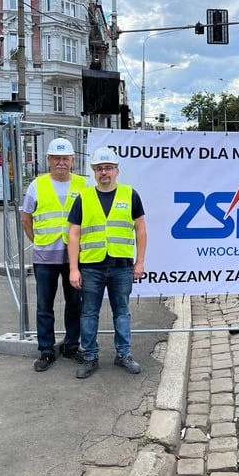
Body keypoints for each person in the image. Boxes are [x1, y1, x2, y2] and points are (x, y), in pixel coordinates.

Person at [67, 147, 147, 379]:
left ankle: (124, 354)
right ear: (94, 172)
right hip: (91, 265)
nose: (104, 172)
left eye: (108, 168)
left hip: (122, 265)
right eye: (100, 168)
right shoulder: (84, 197)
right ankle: (90, 356)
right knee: (89, 313)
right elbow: (74, 234)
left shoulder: (130, 194)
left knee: (122, 312)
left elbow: (140, 230)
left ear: (117, 171)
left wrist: (140, 262)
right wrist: (74, 268)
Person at [20, 138, 87, 372]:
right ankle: (46, 350)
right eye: (56, 158)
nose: (61, 163)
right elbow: (26, 219)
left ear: (72, 160)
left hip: (74, 258)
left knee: (75, 304)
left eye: (65, 158)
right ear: (48, 160)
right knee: (44, 305)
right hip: (45, 257)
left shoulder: (83, 184)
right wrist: (38, 241)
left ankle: (71, 346)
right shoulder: (36, 185)